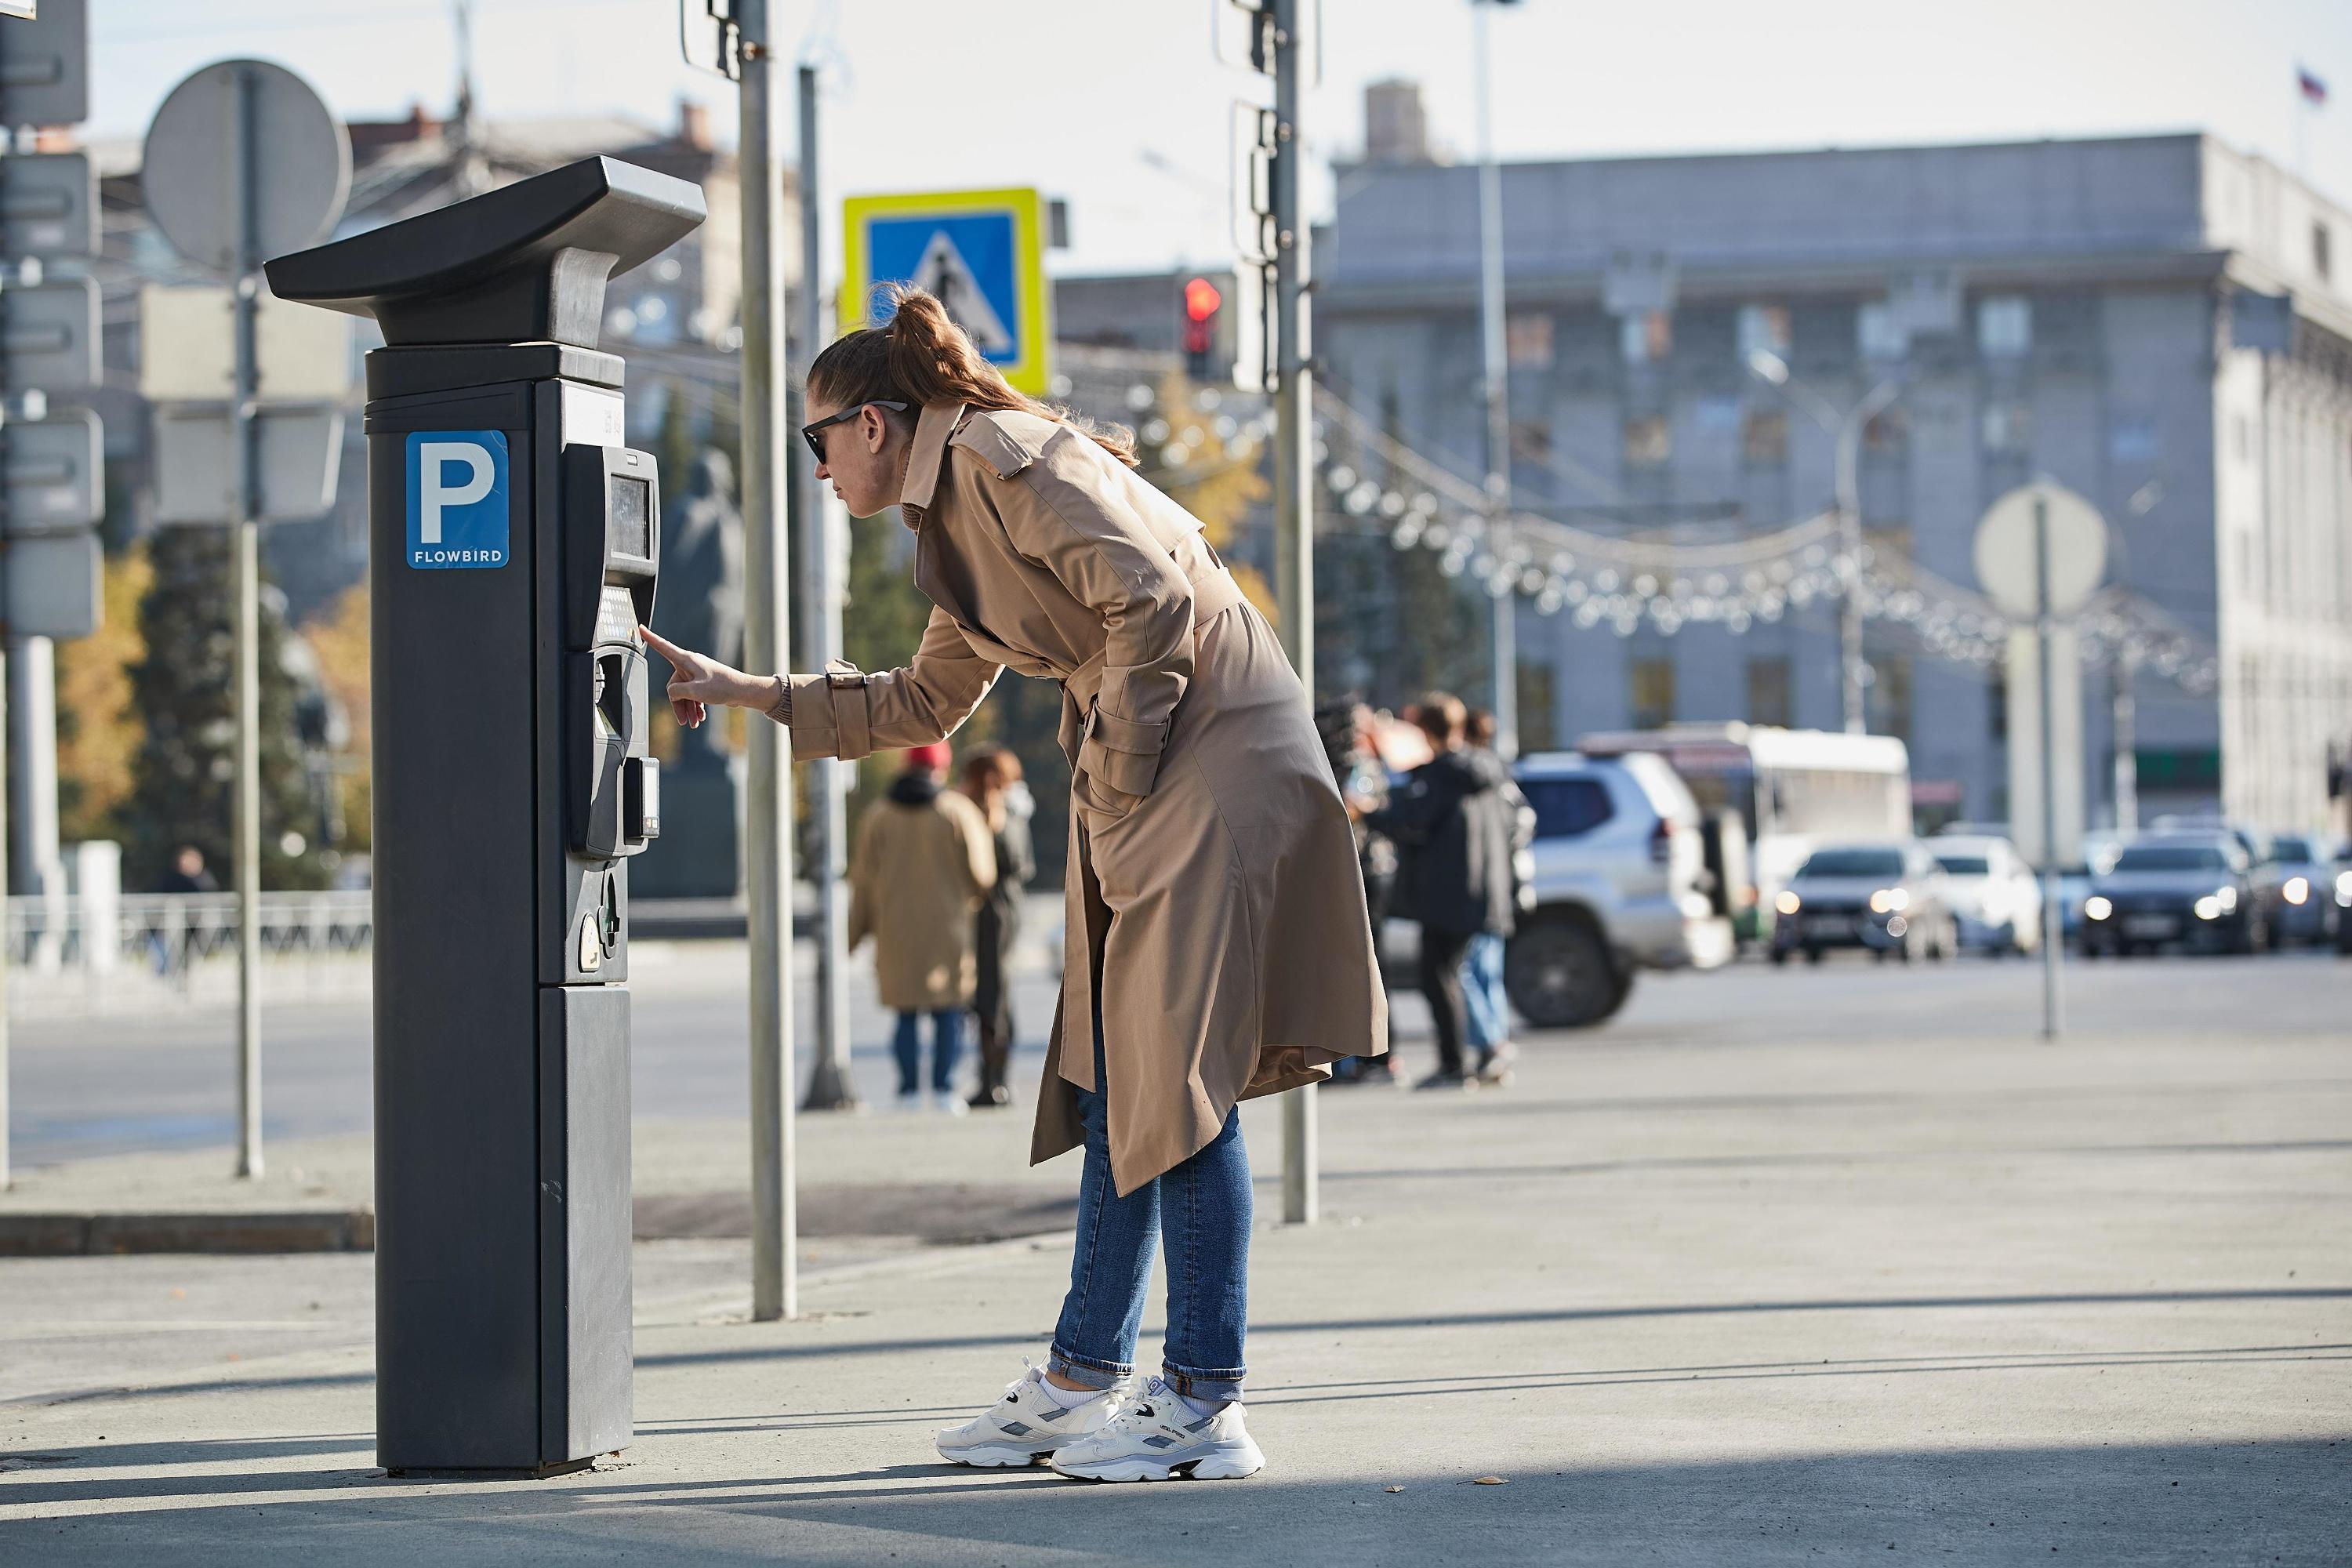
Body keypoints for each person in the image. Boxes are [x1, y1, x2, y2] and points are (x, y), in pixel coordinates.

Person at [640, 286, 1387, 1482]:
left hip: (1211, 762)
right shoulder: (952, 518)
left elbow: (1146, 594)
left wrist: (1125, 771)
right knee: (1114, 1079)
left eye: (817, 441)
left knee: (1177, 1085)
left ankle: (1203, 1402)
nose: (820, 470)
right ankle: (1078, 1379)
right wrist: (751, 690)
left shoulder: (1003, 456)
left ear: (875, 424)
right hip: (1157, 773)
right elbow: (926, 704)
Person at [1357, 692, 1519, 1090]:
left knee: (1440, 975)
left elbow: (1411, 822)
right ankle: (1484, 1055)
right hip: (1488, 889)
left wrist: (1367, 812)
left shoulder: (1441, 775)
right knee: (1467, 974)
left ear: (1425, 729)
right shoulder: (1488, 768)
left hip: (1449, 893)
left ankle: (1455, 1064)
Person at [848, 740, 996, 1114]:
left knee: (905, 1012)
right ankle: (945, 1089)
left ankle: (908, 1090)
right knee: (948, 1011)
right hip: (948, 930)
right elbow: (982, 875)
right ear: (940, 769)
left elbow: (862, 881)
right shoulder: (956, 812)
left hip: (895, 931)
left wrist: (853, 933)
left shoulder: (879, 815)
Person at [1460, 709, 1535, 1087]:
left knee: (1469, 970)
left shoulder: (1472, 775)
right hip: (1502, 887)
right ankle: (1497, 1043)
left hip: (1481, 887)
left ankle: (1490, 1043)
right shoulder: (1502, 775)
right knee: (1489, 971)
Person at [960, 745, 1036, 1109]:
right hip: (1008, 908)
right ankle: (994, 1078)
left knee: (992, 994)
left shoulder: (997, 812)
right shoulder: (1018, 807)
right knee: (997, 992)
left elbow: (1005, 864)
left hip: (994, 911)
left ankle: (995, 1080)